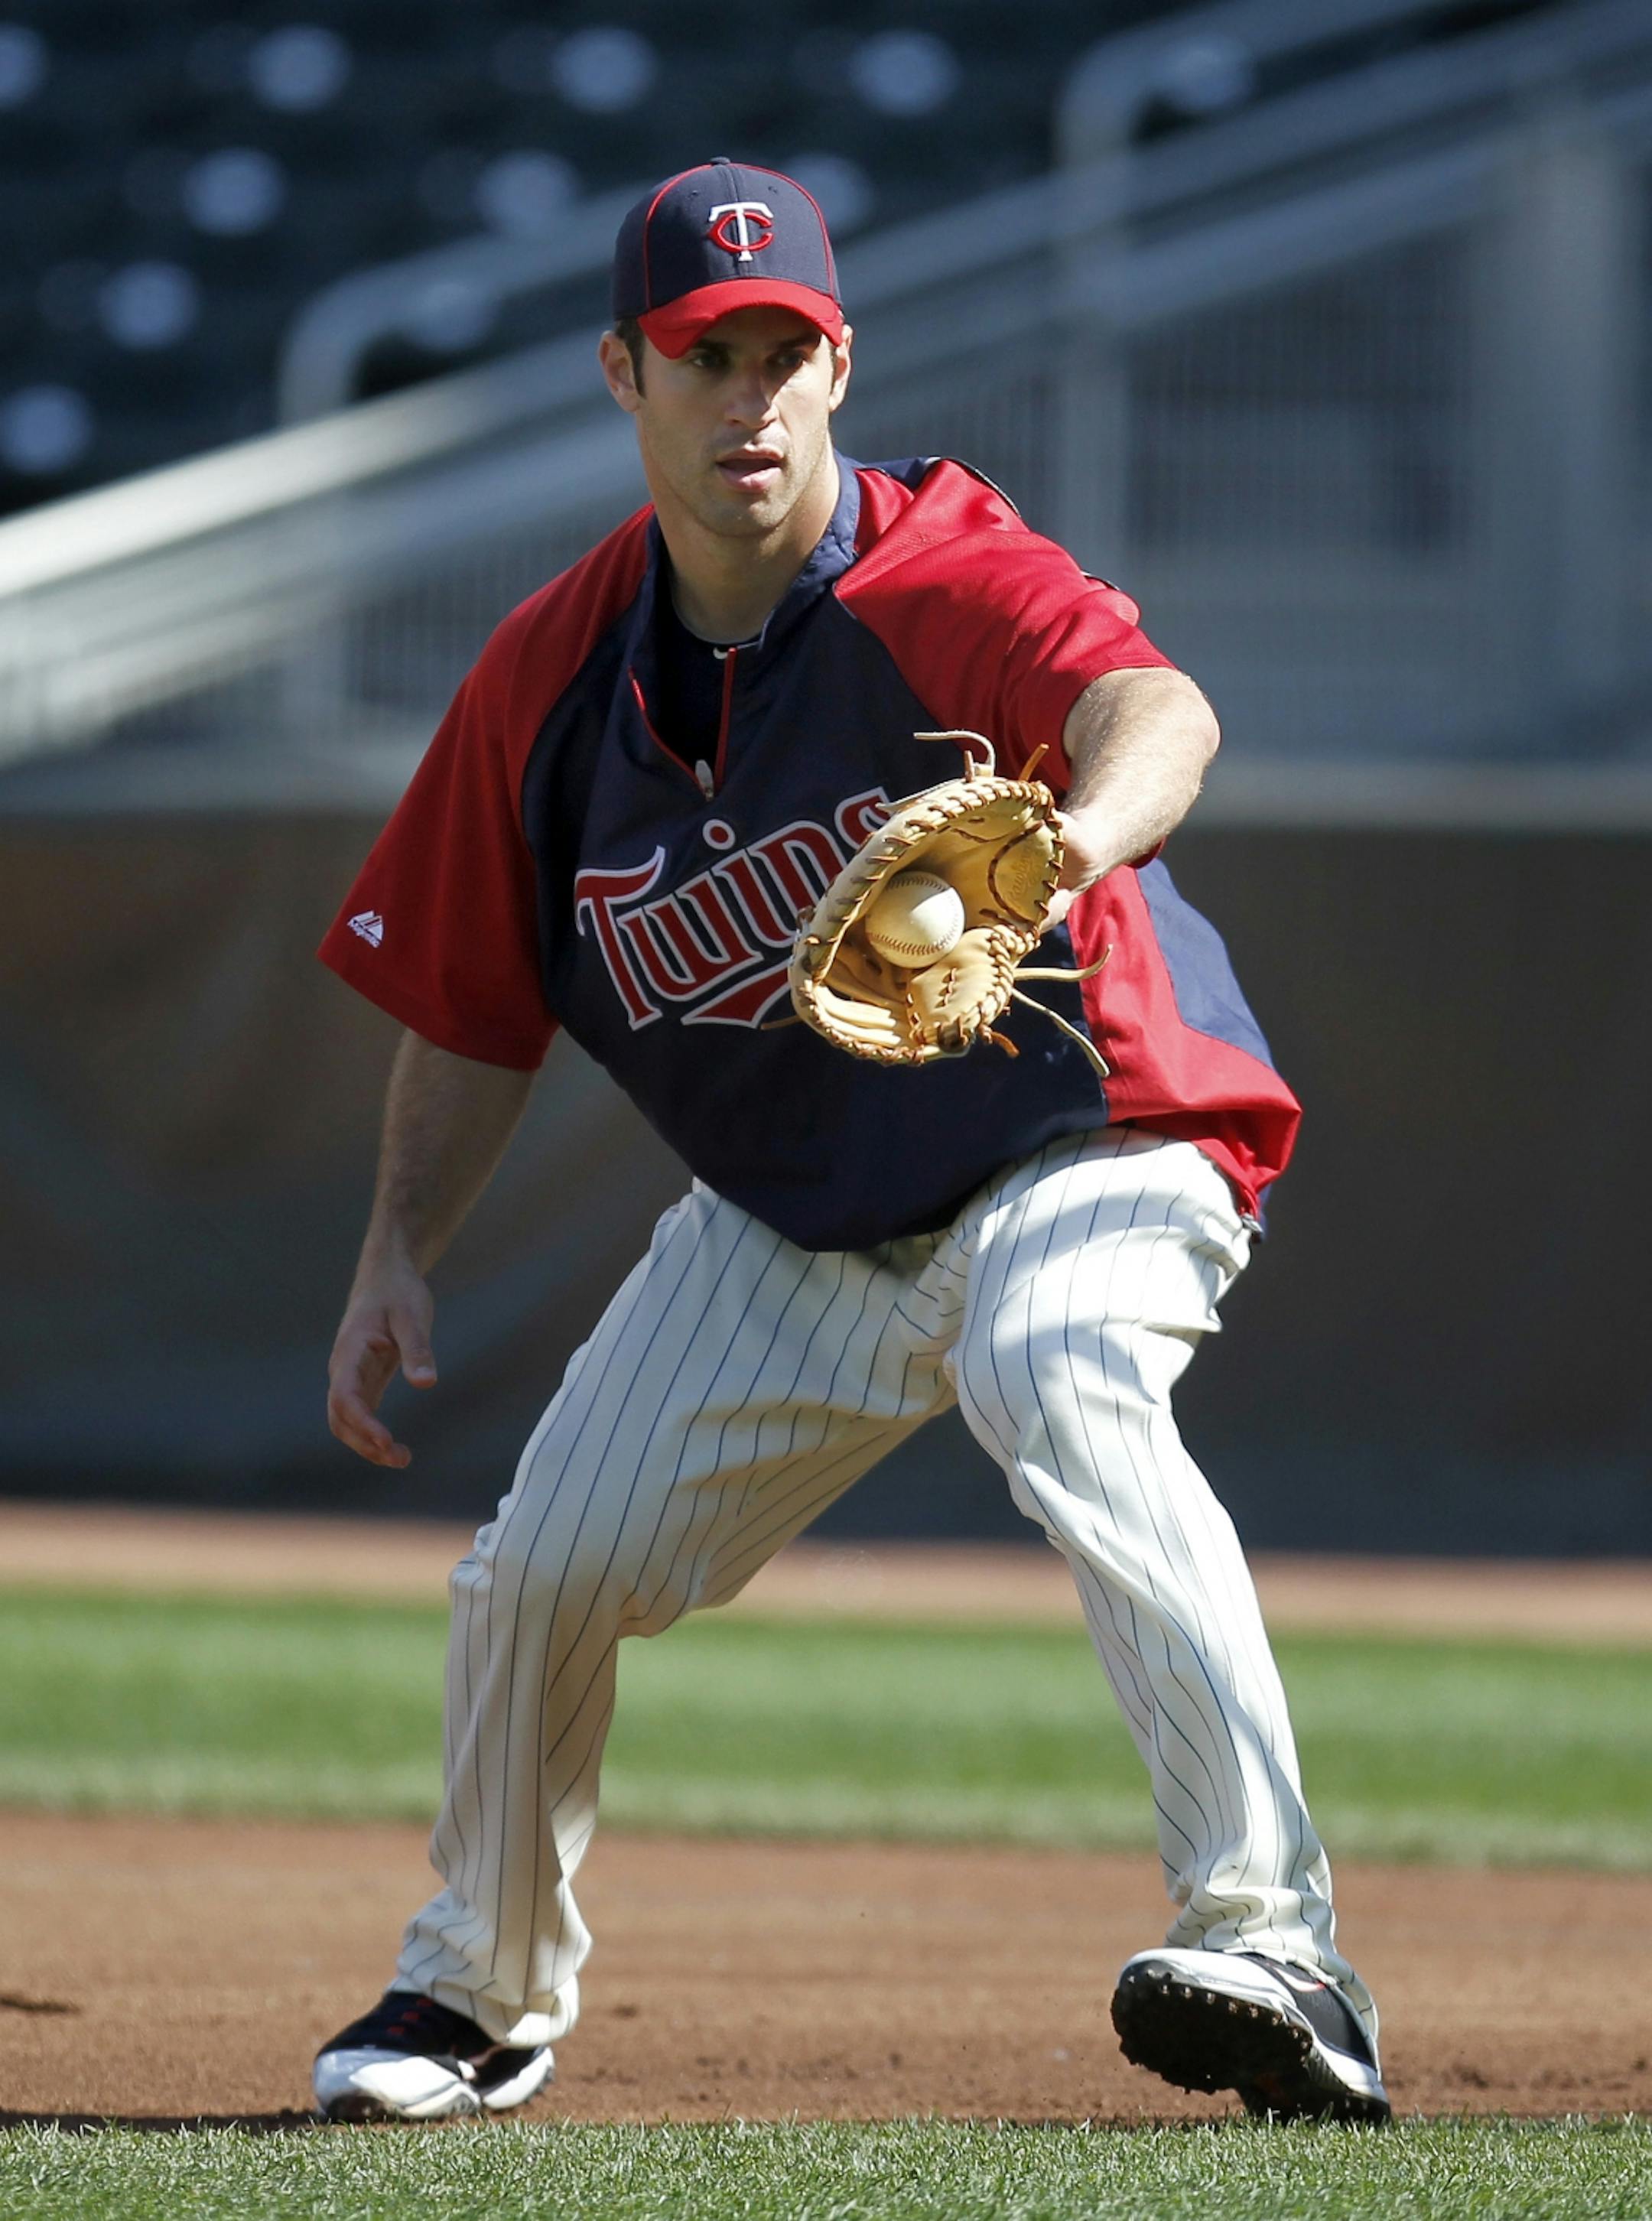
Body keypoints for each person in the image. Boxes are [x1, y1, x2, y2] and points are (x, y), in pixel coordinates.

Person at [311, 160, 1387, 2128]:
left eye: (788, 353)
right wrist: (400, 1247)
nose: (754, 398)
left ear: (839, 365)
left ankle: (1275, 1942)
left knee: (1055, 1366)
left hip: (1088, 1131)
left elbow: (1161, 708)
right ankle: (474, 1998)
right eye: (708, 355)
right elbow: (470, 999)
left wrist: (1067, 837)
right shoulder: (550, 682)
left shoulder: (939, 574)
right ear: (623, 374)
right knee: (541, 1574)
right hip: (798, 1222)